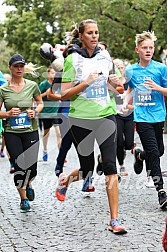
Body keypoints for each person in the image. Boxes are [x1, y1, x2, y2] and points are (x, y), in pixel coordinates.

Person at [55, 19, 127, 234]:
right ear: (81, 36)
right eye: (90, 33)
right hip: (81, 119)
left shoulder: (106, 57)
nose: (95, 36)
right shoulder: (72, 60)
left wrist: (116, 84)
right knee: (87, 169)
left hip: (106, 116)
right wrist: (85, 83)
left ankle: (114, 220)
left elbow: (120, 90)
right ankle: (67, 179)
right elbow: (63, 94)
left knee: (110, 167)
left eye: (97, 32)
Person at [122, 31, 167, 209]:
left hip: (158, 115)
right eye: (145, 48)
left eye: (151, 48)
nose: (148, 50)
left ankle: (140, 155)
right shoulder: (131, 70)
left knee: (159, 151)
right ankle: (161, 192)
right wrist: (126, 102)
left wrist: (157, 87)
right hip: (141, 117)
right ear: (137, 50)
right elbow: (129, 89)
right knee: (155, 153)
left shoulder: (160, 68)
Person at [0, 53, 43, 212]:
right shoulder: (3, 89)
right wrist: (8, 114)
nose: (19, 69)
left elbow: (40, 103)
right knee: (19, 166)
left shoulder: (32, 85)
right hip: (11, 132)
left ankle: (29, 182)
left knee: (31, 168)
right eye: (16, 66)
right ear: (10, 68)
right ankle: (23, 198)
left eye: (21, 66)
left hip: (30, 130)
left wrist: (35, 112)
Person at [113, 58, 134, 176]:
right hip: (117, 115)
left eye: (121, 67)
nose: (120, 69)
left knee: (129, 143)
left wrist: (131, 107)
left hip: (129, 115)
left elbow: (135, 98)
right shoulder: (112, 83)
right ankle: (121, 165)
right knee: (119, 142)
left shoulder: (130, 82)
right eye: (117, 67)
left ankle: (128, 152)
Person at [39, 66, 61, 161]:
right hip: (45, 112)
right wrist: (46, 93)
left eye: (55, 73)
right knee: (46, 133)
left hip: (56, 112)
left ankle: (61, 154)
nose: (54, 75)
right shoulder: (44, 84)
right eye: (52, 73)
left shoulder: (58, 84)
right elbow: (36, 97)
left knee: (59, 133)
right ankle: (44, 150)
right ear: (48, 74)